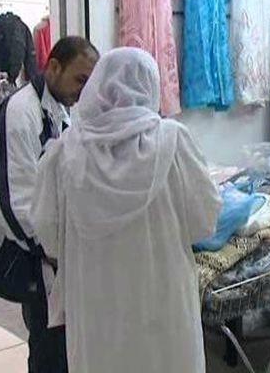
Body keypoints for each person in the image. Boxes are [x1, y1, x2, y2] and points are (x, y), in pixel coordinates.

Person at [30, 47, 221, 373]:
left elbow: (47, 235)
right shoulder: (173, 143)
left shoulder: (64, 154)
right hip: (163, 298)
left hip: (95, 305)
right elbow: (205, 222)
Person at [0, 36, 98, 373]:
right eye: (80, 79)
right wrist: (53, 250)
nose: (83, 91)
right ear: (53, 66)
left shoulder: (61, 108)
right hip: (29, 253)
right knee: (48, 345)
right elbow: (14, 202)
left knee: (64, 343)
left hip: (54, 252)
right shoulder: (21, 112)